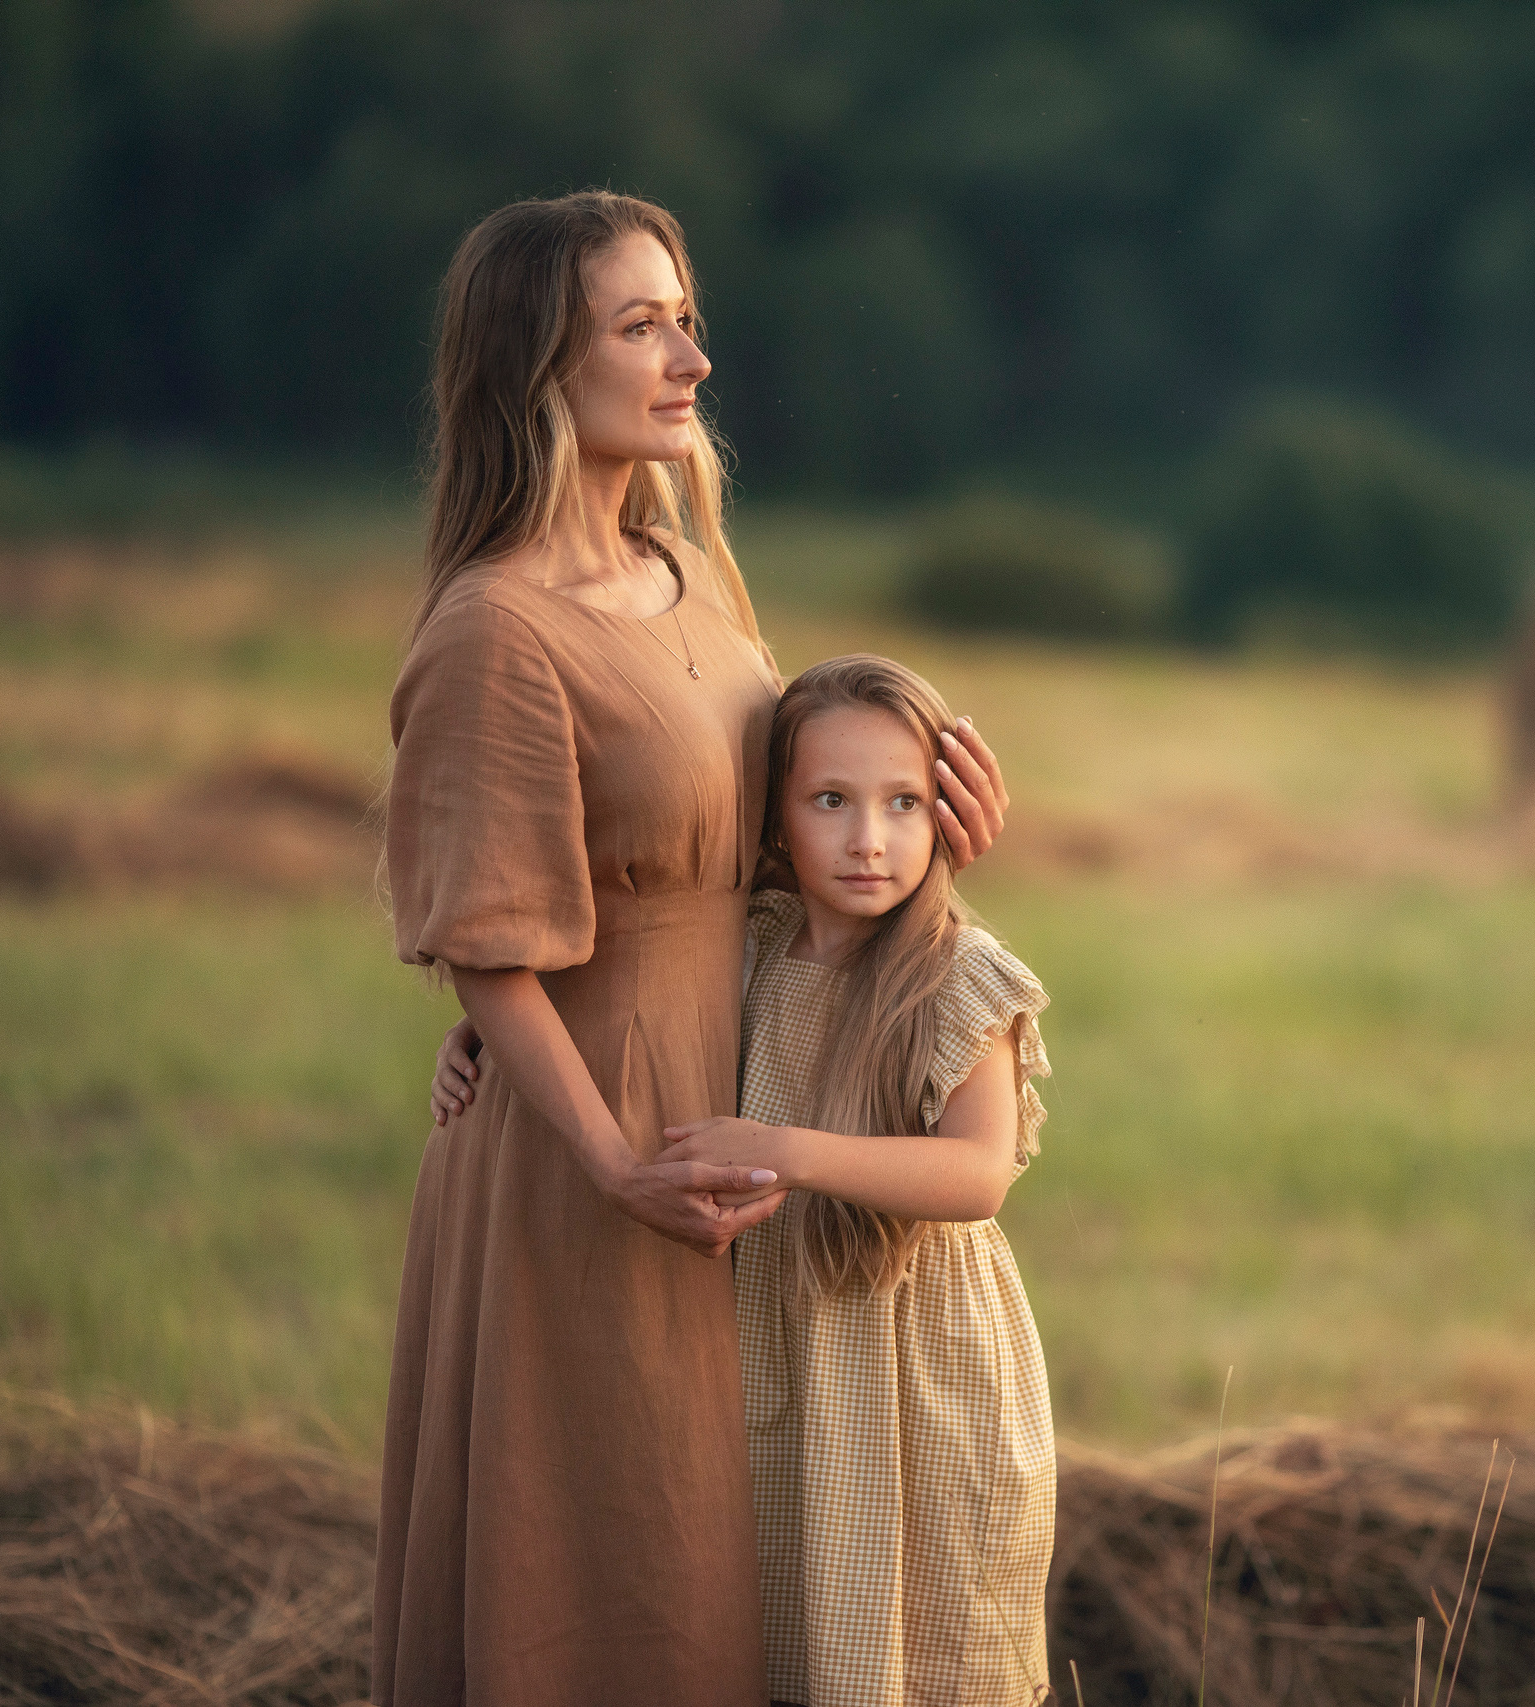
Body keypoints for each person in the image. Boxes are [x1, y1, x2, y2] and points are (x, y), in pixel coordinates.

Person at [382, 192, 1008, 1705]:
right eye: (640, 324)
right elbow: (489, 935)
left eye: (687, 317)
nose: (690, 359)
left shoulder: (693, 574)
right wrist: (606, 1155)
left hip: (738, 1103)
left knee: (744, 1566)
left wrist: (938, 825)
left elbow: (773, 826)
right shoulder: (495, 627)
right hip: (604, 1151)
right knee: (610, 1566)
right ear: (539, 361)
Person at [432, 655, 1057, 1707]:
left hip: (915, 1375)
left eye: (904, 803)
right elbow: (622, 997)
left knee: (923, 1647)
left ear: (947, 814)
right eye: (831, 801)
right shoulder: (747, 950)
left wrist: (787, 1149)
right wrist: (484, 1036)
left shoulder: (955, 975)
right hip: (781, 1361)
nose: (869, 838)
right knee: (785, 1642)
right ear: (773, 821)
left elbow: (978, 1172)